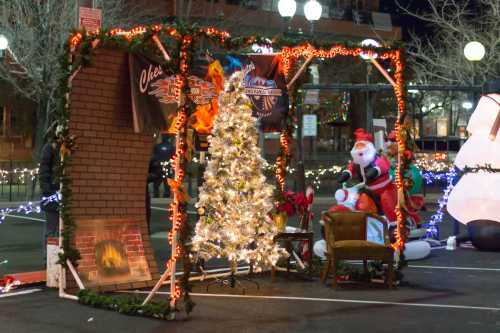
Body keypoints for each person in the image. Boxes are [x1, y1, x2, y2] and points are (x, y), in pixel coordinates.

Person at [39, 139, 60, 258]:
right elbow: (44, 170)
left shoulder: (63, 147)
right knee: (51, 229)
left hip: (57, 193)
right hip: (52, 194)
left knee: (56, 229)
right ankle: (49, 258)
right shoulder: (50, 147)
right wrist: (48, 191)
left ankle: (56, 257)